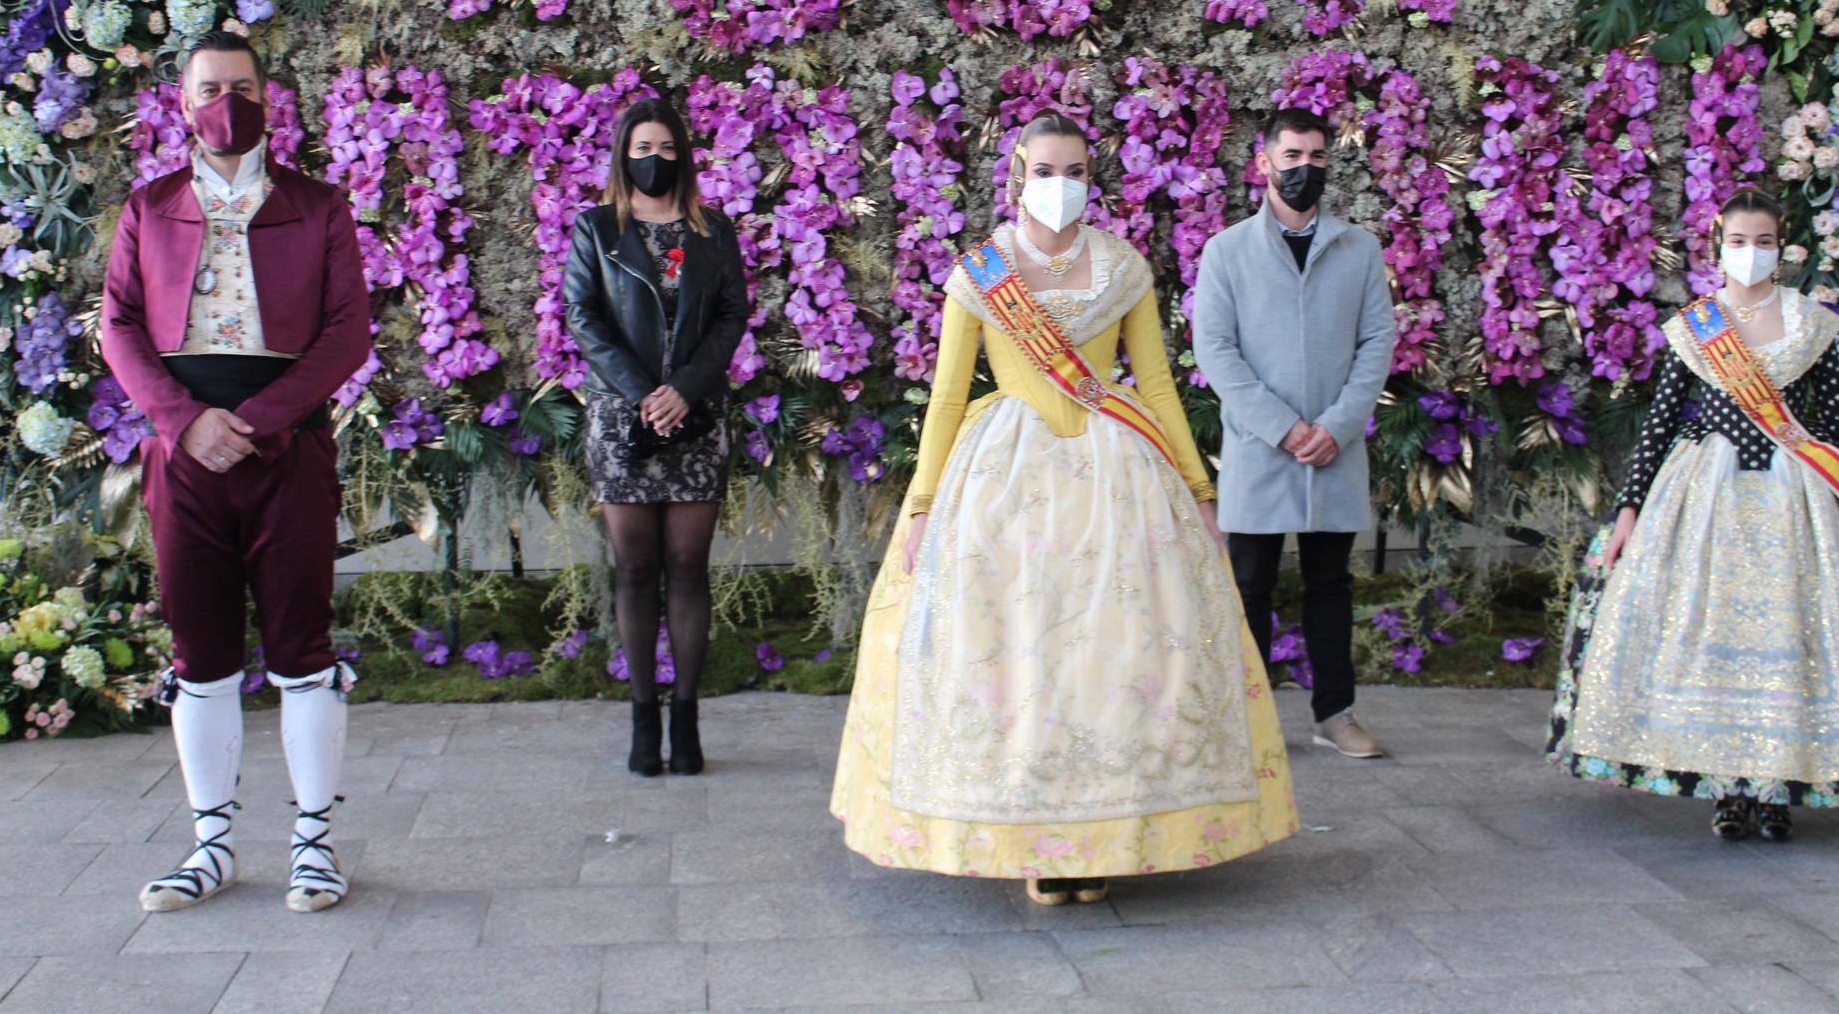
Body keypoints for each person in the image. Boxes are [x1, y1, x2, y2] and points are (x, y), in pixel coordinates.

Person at [831, 114, 1297, 905]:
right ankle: (1035, 837)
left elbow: (1153, 384)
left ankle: (1107, 834)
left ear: (1092, 173)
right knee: (1018, 655)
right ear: (1017, 173)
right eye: (1045, 169)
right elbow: (947, 396)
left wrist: (1198, 488)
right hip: (1003, 481)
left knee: (1112, 656)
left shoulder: (1122, 268)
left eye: (1074, 168)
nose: (1060, 183)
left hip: (1120, 474)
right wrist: (921, 505)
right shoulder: (980, 272)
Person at [1549, 187, 1839, 840]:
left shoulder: (1809, 324)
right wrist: (1628, 509)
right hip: (1706, 499)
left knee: (1791, 642)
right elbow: (1656, 426)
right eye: (1739, 241)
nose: (1751, 252)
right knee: (1705, 642)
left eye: (1763, 241)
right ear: (1717, 245)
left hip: (1800, 502)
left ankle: (1775, 787)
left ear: (1782, 246)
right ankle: (1727, 789)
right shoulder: (1699, 325)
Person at [101, 31, 371, 913]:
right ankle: (211, 844)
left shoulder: (318, 205)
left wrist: (254, 420)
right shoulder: (148, 209)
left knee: (303, 650)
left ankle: (313, 846)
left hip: (284, 442)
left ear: (269, 95)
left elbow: (347, 331)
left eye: (243, 85)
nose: (228, 102)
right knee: (200, 652)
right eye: (211, 87)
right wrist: (186, 422)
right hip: (183, 452)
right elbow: (121, 328)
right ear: (183, 103)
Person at [1193, 106, 1396, 758]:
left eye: (1316, 158)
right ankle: (1249, 725)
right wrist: (1283, 428)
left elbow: (1376, 342)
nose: (1304, 169)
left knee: (1330, 583)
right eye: (1292, 157)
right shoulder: (1226, 251)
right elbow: (1217, 351)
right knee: (1250, 584)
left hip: (1335, 450)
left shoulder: (1358, 248)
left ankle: (1335, 712)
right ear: (1264, 163)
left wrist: (1337, 425)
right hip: (1259, 447)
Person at [564, 96, 747, 777]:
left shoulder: (712, 230)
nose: (654, 160)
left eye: (667, 149)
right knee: (636, 568)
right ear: (622, 153)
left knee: (687, 566)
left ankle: (687, 716)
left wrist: (685, 390)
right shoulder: (596, 229)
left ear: (685, 155)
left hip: (695, 416)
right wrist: (645, 394)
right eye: (643, 148)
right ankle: (644, 717)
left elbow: (732, 316)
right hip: (624, 419)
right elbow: (583, 317)